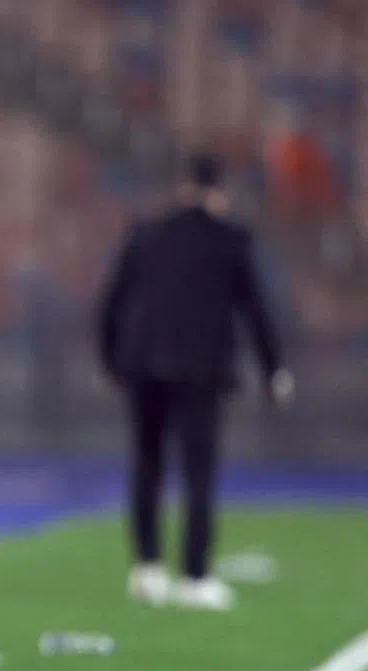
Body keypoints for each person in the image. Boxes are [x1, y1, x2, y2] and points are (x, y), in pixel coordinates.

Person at [97, 152, 294, 612]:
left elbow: (113, 301)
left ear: (183, 185)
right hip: (202, 370)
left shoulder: (145, 234)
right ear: (219, 191)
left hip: (144, 366)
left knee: (147, 465)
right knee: (199, 472)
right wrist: (274, 370)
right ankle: (194, 576)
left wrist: (111, 360)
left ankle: (147, 569)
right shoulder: (231, 239)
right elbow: (255, 310)